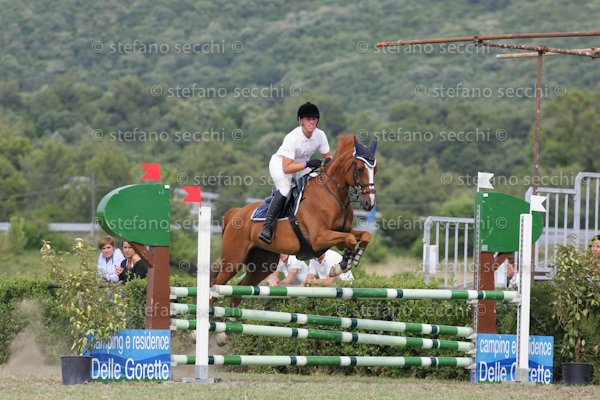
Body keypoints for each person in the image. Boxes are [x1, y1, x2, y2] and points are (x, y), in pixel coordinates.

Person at [258, 102, 332, 244]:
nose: (312, 122)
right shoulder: (292, 137)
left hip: (301, 166)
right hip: (281, 164)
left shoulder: (320, 135)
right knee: (285, 189)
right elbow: (287, 168)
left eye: (314, 119)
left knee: (317, 181)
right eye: (308, 119)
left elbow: (327, 156)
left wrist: (330, 162)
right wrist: (308, 164)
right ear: (300, 121)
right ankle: (267, 227)